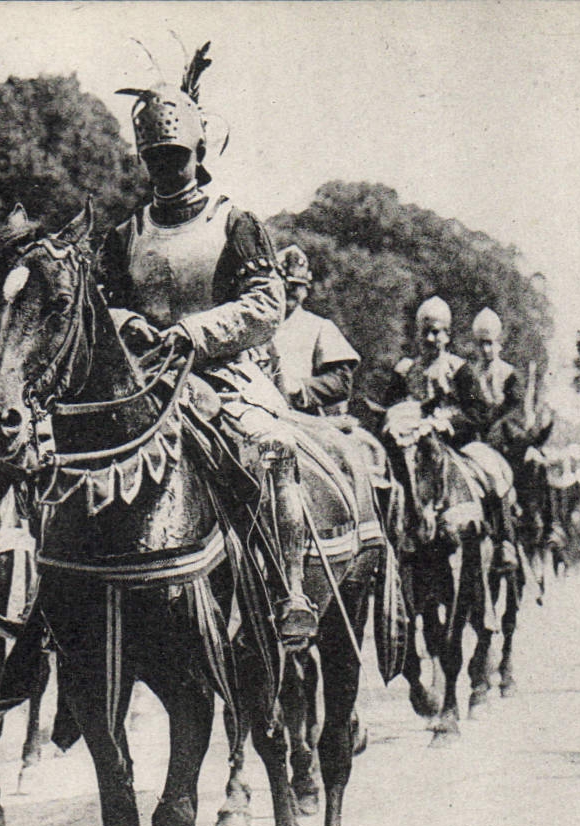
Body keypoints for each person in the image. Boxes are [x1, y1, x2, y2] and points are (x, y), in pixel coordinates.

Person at [98, 53, 316, 643]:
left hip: (225, 377)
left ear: (199, 154)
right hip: (142, 380)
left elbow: (266, 304)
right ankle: (61, 610)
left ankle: (289, 591)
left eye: (176, 157)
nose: (166, 169)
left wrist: (193, 333)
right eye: (155, 158)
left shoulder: (235, 223)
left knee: (273, 447)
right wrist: (127, 323)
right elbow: (96, 305)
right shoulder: (125, 235)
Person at [392, 298, 521, 570]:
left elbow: (480, 412)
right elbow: (390, 408)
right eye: (426, 332)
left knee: (490, 468)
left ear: (447, 335)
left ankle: (503, 542)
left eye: (437, 332)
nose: (431, 338)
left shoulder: (459, 370)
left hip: (455, 444)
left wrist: (448, 421)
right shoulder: (405, 370)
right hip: (412, 447)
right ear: (417, 334)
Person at [270, 245, 360, 415]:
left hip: (302, 415)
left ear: (306, 289)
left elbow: (341, 382)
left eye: (297, 285)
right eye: (284, 285)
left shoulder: (318, 326)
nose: (290, 291)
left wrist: (299, 387)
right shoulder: (256, 325)